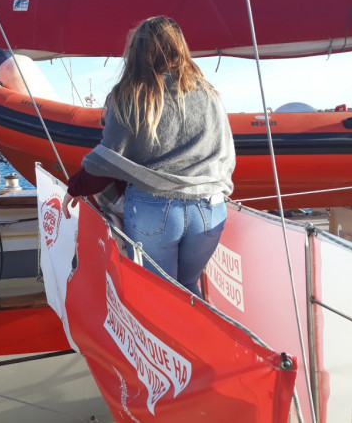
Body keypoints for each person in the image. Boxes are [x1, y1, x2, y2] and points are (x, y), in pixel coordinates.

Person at [61, 16, 235, 298]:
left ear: (137, 52)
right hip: (210, 207)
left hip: (155, 209)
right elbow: (224, 153)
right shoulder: (209, 94)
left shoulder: (130, 95)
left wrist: (76, 187)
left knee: (159, 296)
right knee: (189, 289)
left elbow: (108, 159)